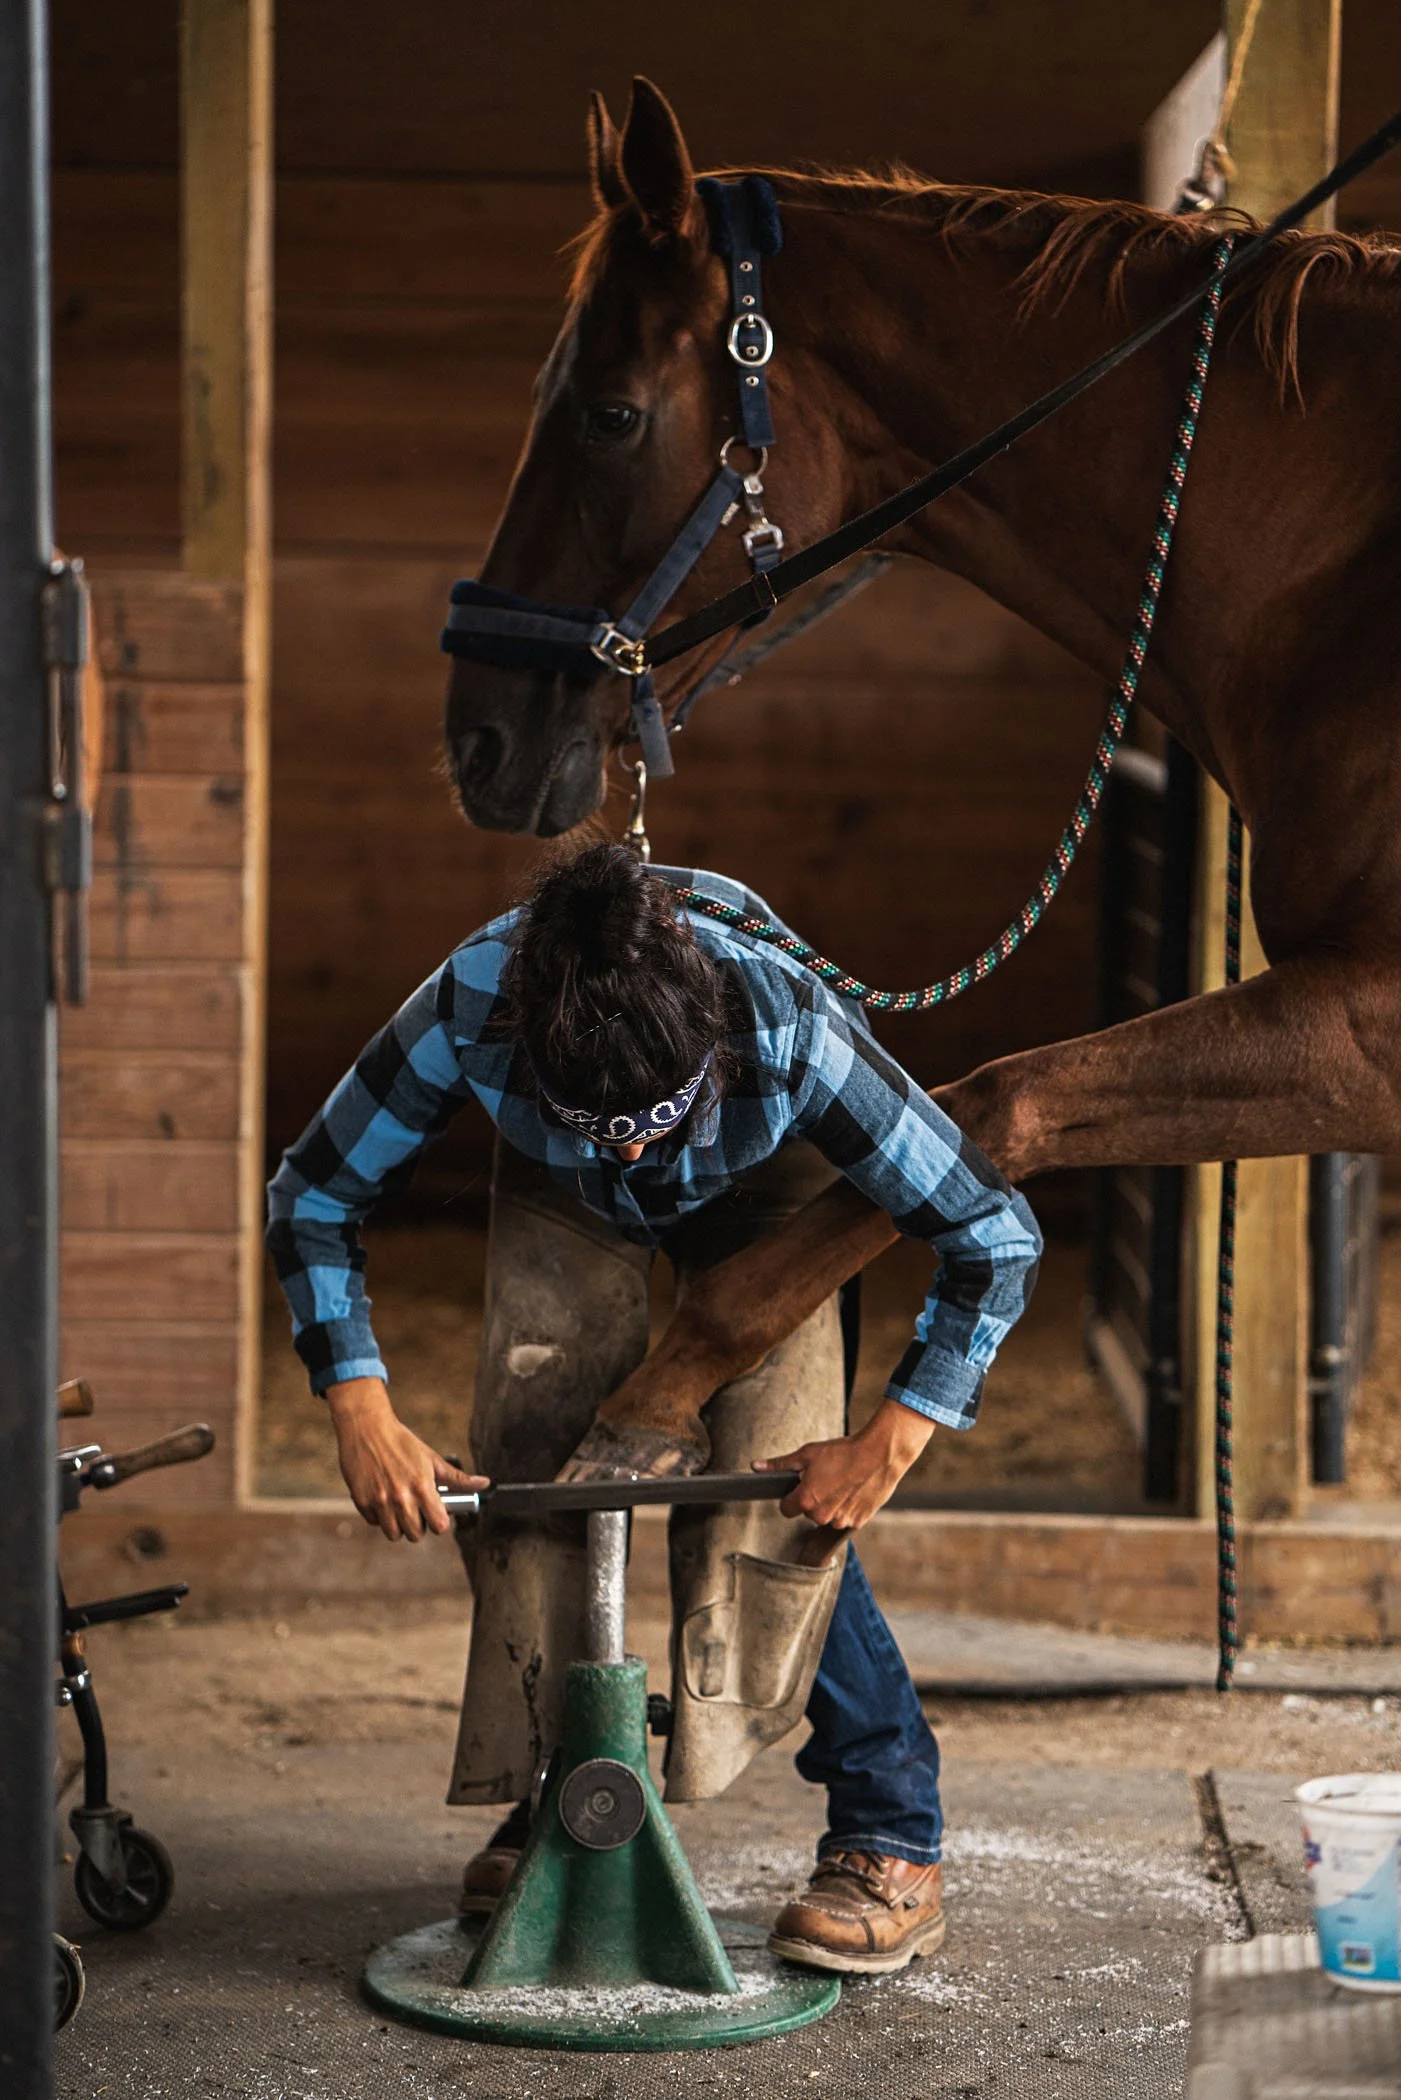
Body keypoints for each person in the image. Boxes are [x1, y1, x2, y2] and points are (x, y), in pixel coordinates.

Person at [266, 843, 1041, 1975]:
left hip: (761, 1179)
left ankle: (890, 1832)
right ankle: (560, 1797)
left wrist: (896, 1434)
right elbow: (313, 1195)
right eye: (605, 1118)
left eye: (649, 1114)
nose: (634, 1143)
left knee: (774, 1495)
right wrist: (357, 1400)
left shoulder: (785, 1025)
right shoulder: (471, 1005)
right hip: (560, 1189)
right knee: (530, 1466)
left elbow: (993, 1231)